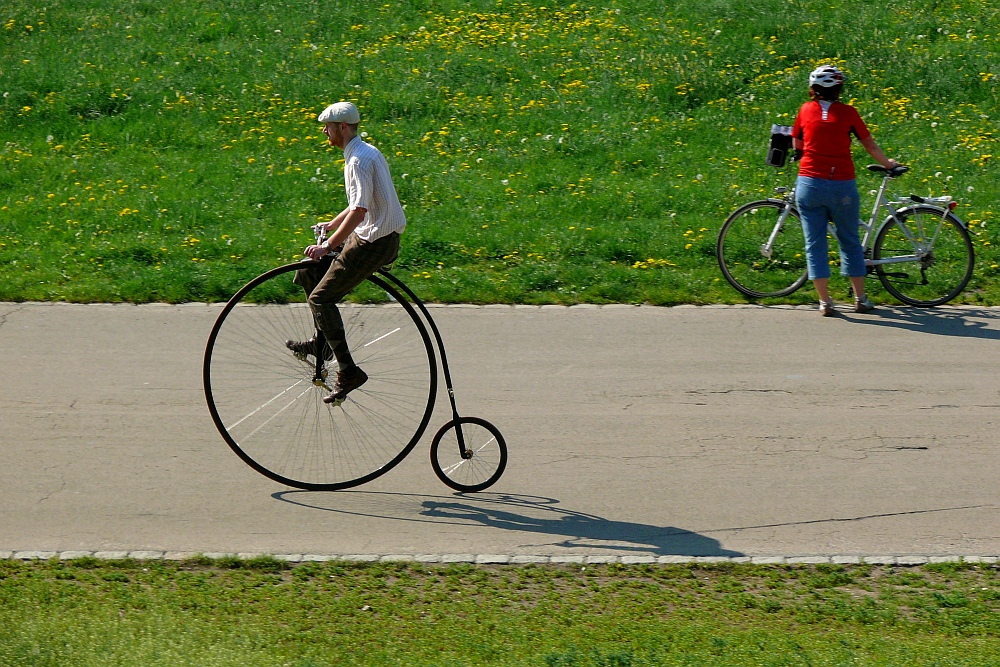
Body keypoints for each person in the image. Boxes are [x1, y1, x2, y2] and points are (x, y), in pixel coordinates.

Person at [286, 101, 407, 403]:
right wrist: (333, 224)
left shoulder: (357, 161)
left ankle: (349, 370)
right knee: (309, 269)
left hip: (375, 243)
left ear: (342, 127)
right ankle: (322, 342)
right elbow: (356, 205)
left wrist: (328, 244)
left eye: (327, 127)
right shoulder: (365, 152)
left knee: (320, 297)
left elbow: (360, 211)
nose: (324, 132)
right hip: (374, 236)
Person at [792, 65, 900, 316]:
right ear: (839, 89)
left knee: (814, 243)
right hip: (842, 185)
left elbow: (797, 141)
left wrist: (802, 152)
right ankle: (860, 299)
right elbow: (870, 145)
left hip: (810, 184)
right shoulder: (849, 113)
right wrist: (889, 164)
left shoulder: (804, 110)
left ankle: (825, 302)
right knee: (850, 241)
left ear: (813, 90)